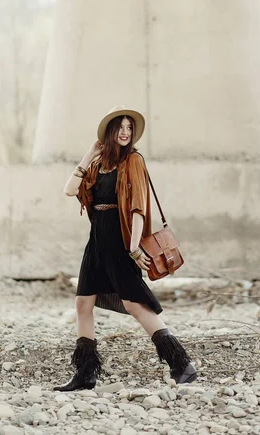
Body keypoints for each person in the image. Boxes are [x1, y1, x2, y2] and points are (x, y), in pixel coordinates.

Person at [54, 105, 197, 391]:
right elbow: (70, 189)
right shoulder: (98, 165)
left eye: (129, 128)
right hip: (97, 241)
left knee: (134, 302)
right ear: (109, 132)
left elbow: (137, 206)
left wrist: (133, 248)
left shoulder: (133, 161)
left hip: (121, 242)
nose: (125, 132)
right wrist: (88, 155)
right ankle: (86, 373)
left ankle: (181, 363)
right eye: (119, 127)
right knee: (83, 303)